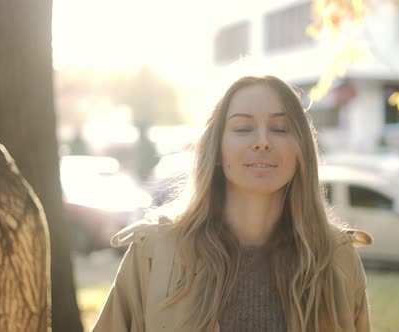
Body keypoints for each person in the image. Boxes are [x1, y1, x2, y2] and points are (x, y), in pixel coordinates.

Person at [92, 76, 372, 332]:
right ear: (215, 150)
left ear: (301, 150)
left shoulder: (337, 258)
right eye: (243, 128)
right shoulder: (154, 251)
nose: (262, 142)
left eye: (280, 128)